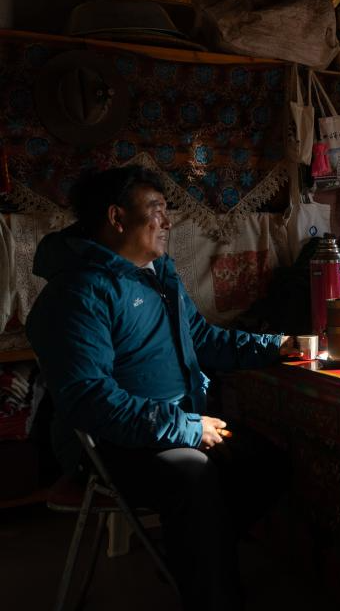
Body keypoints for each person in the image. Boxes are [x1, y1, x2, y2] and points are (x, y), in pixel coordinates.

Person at [26, 165, 296, 611]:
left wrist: (278, 345)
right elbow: (91, 400)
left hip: (177, 425)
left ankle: (193, 560)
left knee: (267, 465)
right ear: (116, 217)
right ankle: (211, 592)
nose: (168, 221)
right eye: (156, 210)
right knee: (194, 477)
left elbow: (202, 340)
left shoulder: (158, 276)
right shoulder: (78, 294)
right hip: (115, 445)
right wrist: (187, 428)